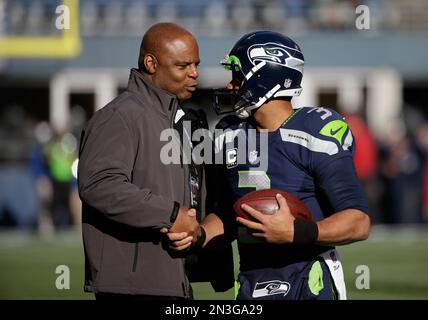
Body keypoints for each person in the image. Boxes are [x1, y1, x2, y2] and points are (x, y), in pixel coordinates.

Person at [166, 31, 371, 300]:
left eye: (237, 76)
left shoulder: (316, 131)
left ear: (264, 77)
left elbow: (358, 222)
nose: (230, 85)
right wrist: (199, 234)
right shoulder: (230, 133)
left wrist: (298, 232)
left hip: (308, 278)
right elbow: (228, 214)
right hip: (252, 279)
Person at [77, 22, 233, 300]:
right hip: (131, 286)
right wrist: (171, 215)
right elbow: (99, 185)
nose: (194, 73)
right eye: (183, 66)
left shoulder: (188, 120)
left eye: (196, 64)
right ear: (151, 63)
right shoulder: (118, 116)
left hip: (175, 279)